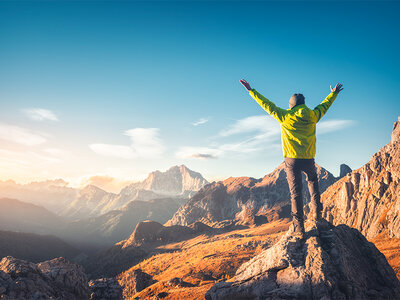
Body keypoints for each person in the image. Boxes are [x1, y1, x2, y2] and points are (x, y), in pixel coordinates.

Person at [239, 79, 343, 236]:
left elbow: (267, 105)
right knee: (313, 183)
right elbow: (324, 106)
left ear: (291, 105)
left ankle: (299, 228)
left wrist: (251, 90)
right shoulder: (313, 116)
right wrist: (333, 94)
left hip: (291, 160)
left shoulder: (285, 116)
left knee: (296, 194)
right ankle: (317, 216)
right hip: (309, 159)